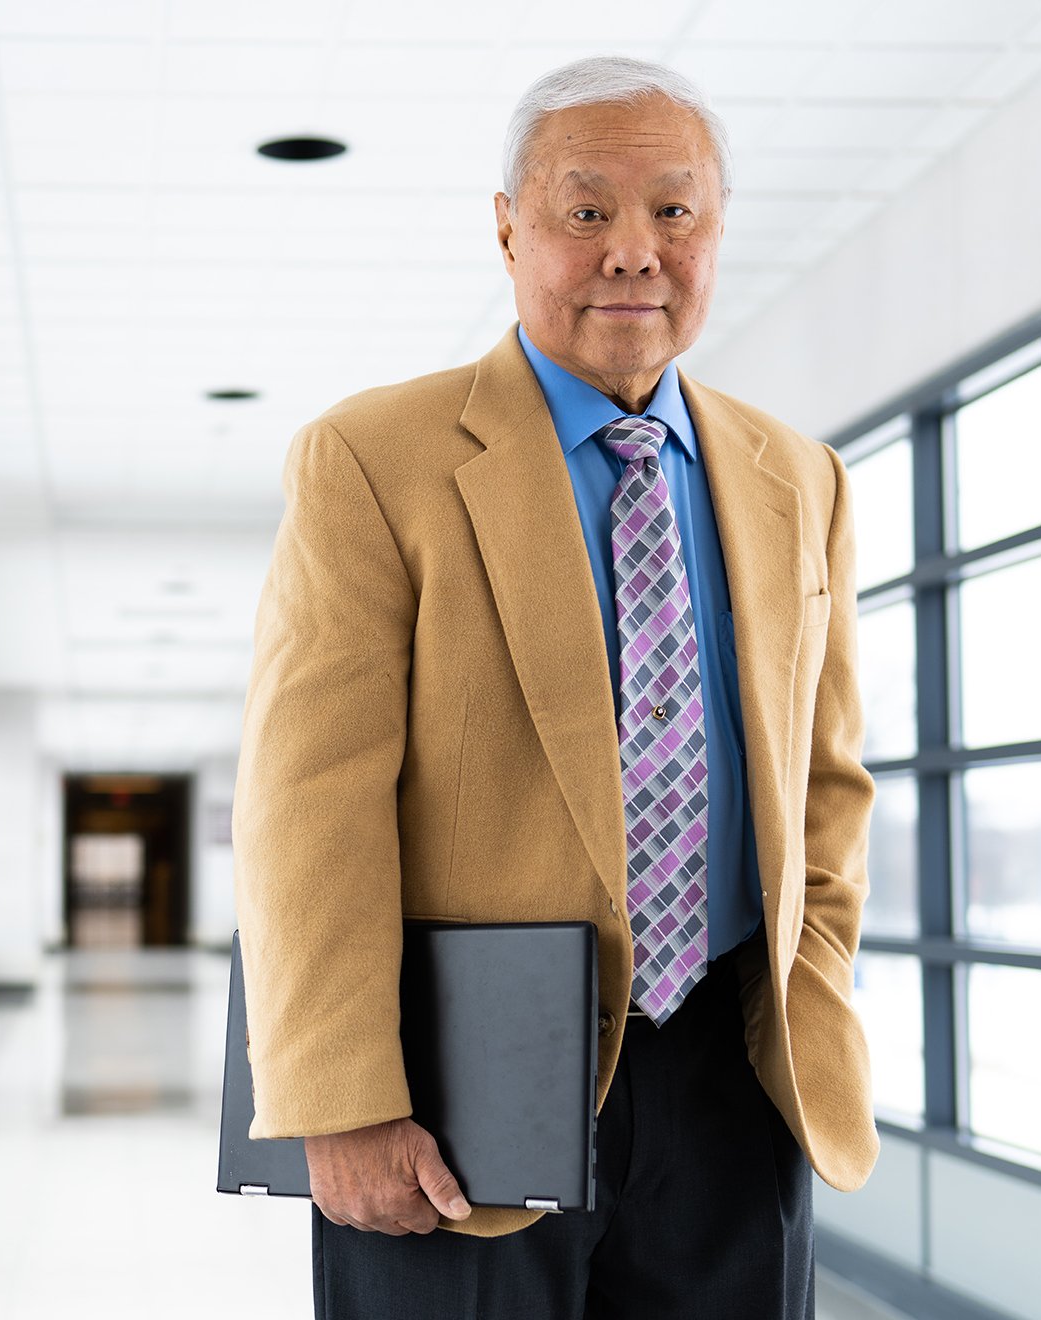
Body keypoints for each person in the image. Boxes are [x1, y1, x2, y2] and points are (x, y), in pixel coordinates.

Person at [230, 54, 879, 1319]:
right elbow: (309, 803)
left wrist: (811, 986)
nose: (635, 250)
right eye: (586, 211)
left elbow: (826, 783)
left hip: (736, 1075)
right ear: (508, 227)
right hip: (458, 1083)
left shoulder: (800, 478)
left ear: (716, 227)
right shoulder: (375, 459)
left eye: (673, 210)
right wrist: (340, 1097)